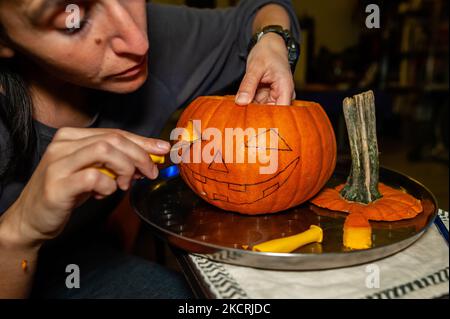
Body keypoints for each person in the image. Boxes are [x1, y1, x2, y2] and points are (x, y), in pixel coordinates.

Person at [0, 0, 300, 298]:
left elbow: (261, 11)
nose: (140, 42)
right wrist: (16, 235)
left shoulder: (148, 29)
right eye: (72, 20)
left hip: (84, 264)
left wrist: (270, 39)